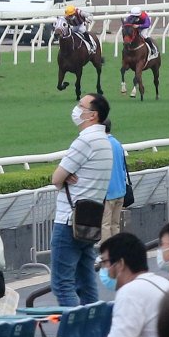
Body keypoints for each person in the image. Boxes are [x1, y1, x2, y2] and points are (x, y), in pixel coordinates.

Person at [62, 232, 169, 337]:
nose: (103, 268)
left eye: (104, 262)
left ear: (120, 264)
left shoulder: (130, 292)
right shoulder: (163, 283)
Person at [50, 93, 113, 306]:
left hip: (69, 220)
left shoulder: (85, 140)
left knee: (62, 284)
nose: (76, 110)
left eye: (81, 106)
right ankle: (92, 330)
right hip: (89, 220)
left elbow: (56, 178)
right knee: (86, 284)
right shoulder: (104, 140)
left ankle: (76, 335)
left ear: (92, 115)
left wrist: (65, 176)